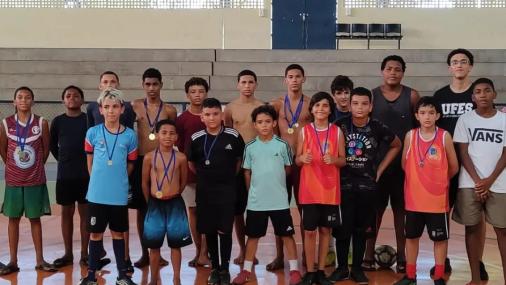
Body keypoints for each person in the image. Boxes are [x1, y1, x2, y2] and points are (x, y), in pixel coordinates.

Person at [331, 87, 402, 284]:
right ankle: (342, 267)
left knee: (361, 230)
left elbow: (397, 144)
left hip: (367, 187)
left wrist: (380, 169)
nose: (359, 107)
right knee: (343, 229)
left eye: (364, 103)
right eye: (355, 103)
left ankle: (357, 269)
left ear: (371, 106)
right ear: (350, 105)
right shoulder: (339, 125)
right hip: (344, 186)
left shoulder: (378, 127)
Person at [231, 104, 302, 285]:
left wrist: (276, 184)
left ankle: (294, 271)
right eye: (260, 122)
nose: (264, 125)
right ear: (254, 125)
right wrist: (252, 191)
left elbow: (287, 168)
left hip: (279, 201)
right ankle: (246, 271)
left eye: (267, 122)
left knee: (287, 235)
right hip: (257, 202)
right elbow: (246, 172)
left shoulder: (283, 145)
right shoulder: (250, 147)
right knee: (253, 237)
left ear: (274, 123)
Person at [432, 49, 488, 278]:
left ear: (470, 67)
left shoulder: (476, 95)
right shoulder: (439, 96)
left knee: (475, 217)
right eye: (455, 62)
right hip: (445, 165)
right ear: (449, 68)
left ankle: (478, 261)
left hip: (472, 165)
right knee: (442, 212)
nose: (459, 65)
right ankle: (441, 259)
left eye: (464, 62)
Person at [394, 96, 458, 285]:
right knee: (411, 237)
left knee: (439, 240)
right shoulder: (411, 136)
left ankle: (438, 276)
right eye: (423, 113)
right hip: (414, 199)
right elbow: (405, 164)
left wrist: (437, 182)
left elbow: (453, 167)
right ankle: (411, 275)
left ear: (438, 115)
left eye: (431, 113)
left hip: (437, 201)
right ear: (417, 115)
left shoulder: (444, 136)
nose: (427, 117)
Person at [366, 55, 420, 273]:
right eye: (389, 68)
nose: (393, 72)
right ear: (382, 71)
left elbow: (418, 130)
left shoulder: (412, 95)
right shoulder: (372, 96)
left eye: (398, 69)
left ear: (403, 73)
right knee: (375, 212)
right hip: (377, 165)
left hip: (403, 166)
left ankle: (402, 255)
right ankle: (368, 254)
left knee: (401, 212)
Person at [80, 88, 138, 285]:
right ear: (101, 110)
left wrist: (118, 179)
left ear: (122, 109)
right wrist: (98, 180)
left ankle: (122, 275)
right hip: (96, 193)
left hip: (118, 194)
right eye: (107, 107)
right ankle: (90, 276)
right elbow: (90, 162)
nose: (111, 111)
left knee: (118, 233)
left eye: (115, 107)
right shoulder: (92, 132)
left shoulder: (130, 135)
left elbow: (130, 164)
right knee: (95, 234)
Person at [452, 78, 506, 285]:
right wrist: (478, 181)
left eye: (487, 91)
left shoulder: (503, 120)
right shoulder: (465, 119)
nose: (482, 95)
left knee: (502, 231)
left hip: (499, 183)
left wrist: (489, 181)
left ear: (495, 94)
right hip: (469, 183)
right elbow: (463, 152)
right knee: (472, 228)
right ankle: (475, 278)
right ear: (473, 97)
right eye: (478, 92)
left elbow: (505, 153)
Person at [187, 98, 245, 285]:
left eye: (215, 114)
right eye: (207, 115)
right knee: (209, 230)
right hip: (205, 191)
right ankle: (214, 268)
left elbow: (239, 161)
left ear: (221, 115)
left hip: (227, 190)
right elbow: (191, 164)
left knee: (225, 230)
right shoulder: (196, 139)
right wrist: (207, 178)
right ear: (202, 117)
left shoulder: (233, 135)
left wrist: (226, 178)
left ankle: (225, 269)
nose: (212, 118)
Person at [0, 87, 56, 275]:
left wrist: (33, 167)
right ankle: (13, 261)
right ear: (13, 102)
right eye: (20, 97)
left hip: (35, 179)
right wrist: (16, 168)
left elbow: (45, 149)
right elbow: (3, 151)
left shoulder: (41, 123)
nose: (24, 100)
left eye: (28, 97)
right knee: (13, 219)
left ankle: (40, 260)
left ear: (33, 101)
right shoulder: (6, 124)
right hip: (13, 181)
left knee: (35, 219)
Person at [296, 92, 346, 285]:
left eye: (325, 106)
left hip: (330, 190)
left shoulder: (337, 131)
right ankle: (309, 271)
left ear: (330, 109)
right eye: (317, 105)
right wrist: (302, 159)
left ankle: (321, 271)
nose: (321, 109)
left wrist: (334, 160)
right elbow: (297, 159)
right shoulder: (304, 131)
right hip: (309, 190)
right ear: (312, 109)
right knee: (309, 231)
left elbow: (343, 160)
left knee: (325, 230)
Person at [130, 68, 177, 269]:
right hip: (140, 160)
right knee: (142, 210)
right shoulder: (134, 106)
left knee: (161, 208)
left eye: (155, 84)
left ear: (161, 85)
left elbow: (173, 136)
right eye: (147, 84)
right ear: (143, 85)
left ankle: (158, 253)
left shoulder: (169, 110)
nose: (151, 88)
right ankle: (144, 253)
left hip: (162, 163)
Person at [269, 64, 312, 271]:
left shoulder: (311, 104)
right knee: (279, 209)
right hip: (281, 162)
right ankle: (279, 255)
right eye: (290, 76)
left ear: (304, 79)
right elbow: (267, 130)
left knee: (305, 209)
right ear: (285, 80)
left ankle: (306, 254)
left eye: (298, 76)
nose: (294, 80)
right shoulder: (276, 104)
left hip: (304, 162)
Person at [142, 119, 192, 285]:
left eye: (171, 133)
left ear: (176, 137)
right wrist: (150, 201)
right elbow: (144, 182)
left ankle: (176, 277)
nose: (168, 136)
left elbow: (184, 181)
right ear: (157, 135)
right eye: (164, 133)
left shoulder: (181, 158)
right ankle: (153, 278)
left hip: (175, 204)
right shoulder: (149, 157)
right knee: (154, 246)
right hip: (155, 204)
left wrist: (174, 193)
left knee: (175, 245)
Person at [223, 69, 263, 265]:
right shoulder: (230, 108)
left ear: (256, 84)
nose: (247, 86)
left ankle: (254, 249)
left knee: (258, 209)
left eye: (251, 82)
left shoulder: (263, 107)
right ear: (238, 84)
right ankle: (243, 249)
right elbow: (227, 138)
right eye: (244, 82)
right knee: (238, 211)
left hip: (260, 164)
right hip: (239, 164)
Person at [50, 85, 90, 268]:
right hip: (65, 176)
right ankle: (68, 254)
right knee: (66, 214)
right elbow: (52, 146)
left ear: (82, 100)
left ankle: (84, 253)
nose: (72, 98)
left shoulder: (89, 120)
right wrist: (65, 160)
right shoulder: (58, 121)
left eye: (76, 95)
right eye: (68, 95)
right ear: (63, 100)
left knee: (85, 215)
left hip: (86, 175)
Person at [175, 77, 211, 268]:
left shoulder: (212, 116)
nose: (197, 95)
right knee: (193, 212)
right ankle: (199, 251)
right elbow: (180, 149)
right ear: (187, 94)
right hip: (189, 175)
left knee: (207, 212)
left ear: (206, 93)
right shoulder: (181, 120)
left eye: (201, 91)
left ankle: (206, 251)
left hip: (210, 173)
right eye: (193, 92)